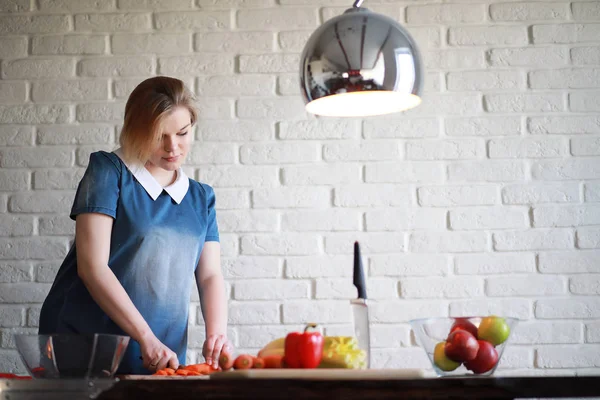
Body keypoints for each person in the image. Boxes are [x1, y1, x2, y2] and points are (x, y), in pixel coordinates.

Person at [38, 76, 232, 375]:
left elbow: (209, 275)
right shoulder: (109, 172)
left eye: (182, 132)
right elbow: (92, 268)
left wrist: (216, 335)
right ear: (136, 132)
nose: (173, 147)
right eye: (158, 136)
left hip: (162, 352)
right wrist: (145, 338)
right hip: (89, 346)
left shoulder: (200, 196)